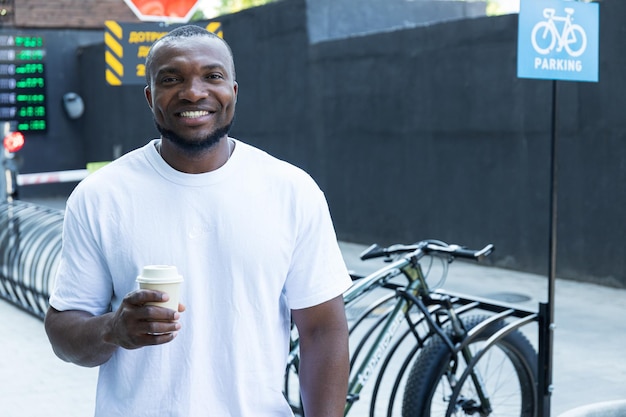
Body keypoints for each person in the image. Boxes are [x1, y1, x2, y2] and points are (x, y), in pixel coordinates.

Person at [44, 25, 352, 417]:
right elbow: (62, 330)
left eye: (212, 76)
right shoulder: (100, 196)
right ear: (149, 97)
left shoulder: (292, 190)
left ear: (233, 93)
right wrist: (113, 329)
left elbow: (322, 330)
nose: (193, 92)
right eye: (171, 79)